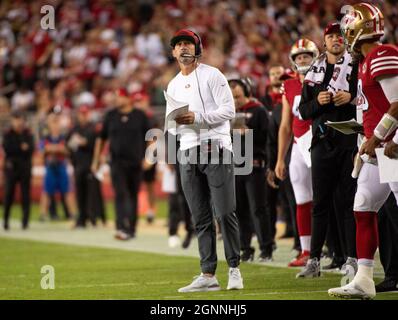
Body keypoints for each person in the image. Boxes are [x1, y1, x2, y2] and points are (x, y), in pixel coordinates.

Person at [328, 2, 398, 299]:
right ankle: (364, 279)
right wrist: (365, 141)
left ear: (358, 29)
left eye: (347, 30)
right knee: (363, 206)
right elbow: (375, 109)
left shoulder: (383, 54)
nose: (344, 38)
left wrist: (379, 137)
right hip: (377, 148)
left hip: (393, 146)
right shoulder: (366, 62)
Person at [166, 29, 242, 292]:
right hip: (187, 152)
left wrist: (196, 118)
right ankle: (208, 273)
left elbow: (229, 111)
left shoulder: (212, 74)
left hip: (216, 148)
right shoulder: (173, 84)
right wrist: (176, 126)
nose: (183, 48)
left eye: (188, 43)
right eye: (179, 45)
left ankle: (234, 268)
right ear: (173, 52)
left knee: (224, 211)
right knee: (200, 217)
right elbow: (173, 127)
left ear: (196, 47)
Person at [297, 22, 358, 278]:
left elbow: (370, 101)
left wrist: (352, 99)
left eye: (340, 36)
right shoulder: (314, 71)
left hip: (348, 141)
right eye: (331, 36)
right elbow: (303, 111)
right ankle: (314, 260)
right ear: (324, 42)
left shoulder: (356, 68)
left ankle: (352, 259)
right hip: (322, 143)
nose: (336, 40)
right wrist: (318, 102)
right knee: (320, 203)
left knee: (347, 203)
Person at [275, 39, 319, 267]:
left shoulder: (324, 78)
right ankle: (306, 250)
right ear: (293, 61)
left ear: (315, 57)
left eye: (306, 56)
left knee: (325, 197)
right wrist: (280, 159)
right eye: (299, 57)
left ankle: (332, 247)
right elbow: (285, 124)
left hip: (319, 140)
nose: (302, 60)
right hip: (298, 144)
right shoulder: (289, 85)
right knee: (302, 198)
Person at [91, 88, 150, 240]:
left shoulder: (140, 116)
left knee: (133, 195)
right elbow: (101, 139)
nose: (116, 100)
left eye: (120, 97)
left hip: (136, 162)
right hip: (116, 162)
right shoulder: (110, 116)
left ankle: (131, 228)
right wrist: (96, 160)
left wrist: (149, 158)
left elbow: (152, 137)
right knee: (120, 194)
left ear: (128, 99)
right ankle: (121, 227)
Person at [229, 77, 274, 262]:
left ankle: (266, 248)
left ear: (246, 92)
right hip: (234, 166)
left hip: (255, 165)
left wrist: (249, 135)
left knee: (258, 208)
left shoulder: (258, 110)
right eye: (232, 98)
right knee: (239, 210)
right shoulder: (226, 113)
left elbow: (269, 138)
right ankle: (245, 248)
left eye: (238, 96)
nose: (235, 101)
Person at [264, 65, 299, 252]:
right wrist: (274, 163)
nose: (283, 82)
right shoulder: (276, 107)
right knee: (293, 201)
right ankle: (300, 243)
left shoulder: (306, 98)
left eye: (287, 79)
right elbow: (273, 138)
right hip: (285, 159)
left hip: (306, 155)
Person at [66, 105, 105, 228]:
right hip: (78, 164)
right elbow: (68, 144)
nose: (83, 116)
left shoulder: (93, 128)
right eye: (81, 114)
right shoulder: (74, 129)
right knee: (80, 193)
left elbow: (92, 144)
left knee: (92, 193)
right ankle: (81, 219)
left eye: (85, 114)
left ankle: (94, 218)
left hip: (91, 164)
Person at [39, 112, 76, 221]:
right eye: (53, 122)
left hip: (61, 166)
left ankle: (73, 213)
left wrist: (52, 148)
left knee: (68, 190)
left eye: (56, 122)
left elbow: (67, 150)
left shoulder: (63, 137)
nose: (55, 125)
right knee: (46, 191)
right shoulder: (45, 137)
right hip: (50, 167)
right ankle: (42, 214)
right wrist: (57, 149)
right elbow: (42, 150)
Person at [2, 111, 34, 230]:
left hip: (25, 167)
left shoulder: (28, 133)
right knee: (9, 194)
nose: (18, 122)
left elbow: (31, 148)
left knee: (26, 195)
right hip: (11, 168)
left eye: (20, 119)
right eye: (16, 119)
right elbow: (7, 148)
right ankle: (6, 220)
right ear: (12, 120)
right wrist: (21, 147)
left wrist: (21, 148)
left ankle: (25, 222)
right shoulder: (8, 133)